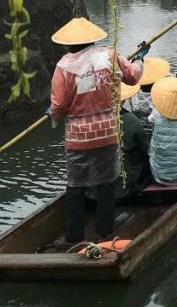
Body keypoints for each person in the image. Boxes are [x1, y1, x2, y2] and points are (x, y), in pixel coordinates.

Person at [47, 17, 144, 243]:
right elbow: (133, 76)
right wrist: (140, 61)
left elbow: (59, 105)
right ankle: (106, 233)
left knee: (75, 185)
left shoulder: (63, 67)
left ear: (68, 45)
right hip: (108, 132)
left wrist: (52, 112)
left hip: (78, 137)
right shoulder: (110, 56)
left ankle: (74, 237)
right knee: (106, 183)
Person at [120, 55, 170, 131]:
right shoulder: (162, 93)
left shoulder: (131, 93)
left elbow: (127, 109)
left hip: (138, 121)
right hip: (150, 123)